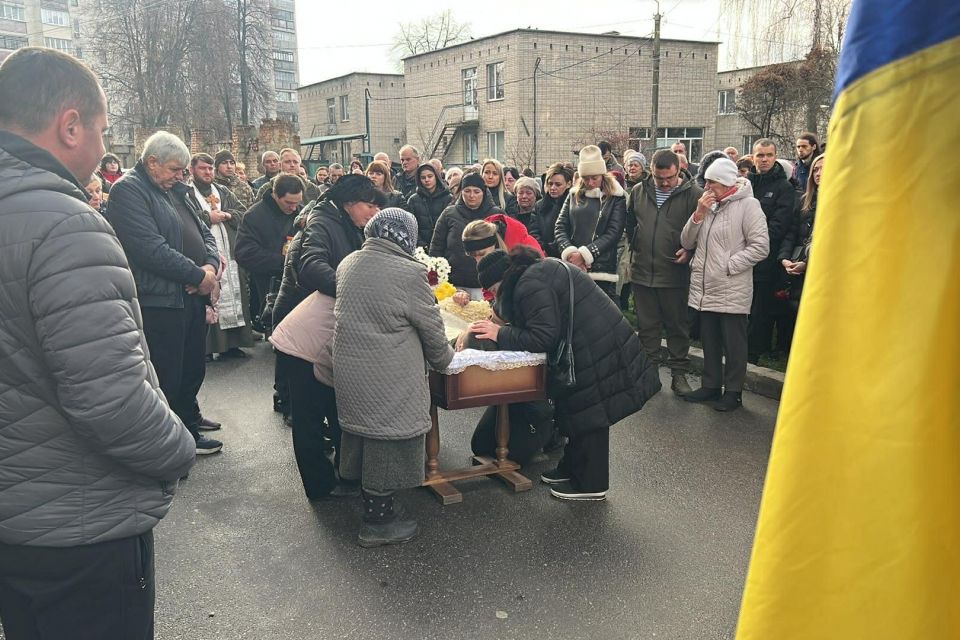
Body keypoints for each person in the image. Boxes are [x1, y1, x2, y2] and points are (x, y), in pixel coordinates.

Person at [0, 46, 196, 639]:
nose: (102, 146)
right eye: (103, 130)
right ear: (70, 125)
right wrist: (178, 448)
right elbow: (111, 400)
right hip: (81, 529)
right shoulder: (65, 225)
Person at [468, 249, 661, 500]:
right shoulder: (532, 273)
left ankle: (591, 484)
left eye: (494, 291)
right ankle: (571, 469)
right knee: (576, 410)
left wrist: (500, 333)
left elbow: (543, 337)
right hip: (591, 339)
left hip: (596, 344)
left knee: (591, 413)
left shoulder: (528, 284)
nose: (495, 297)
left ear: (501, 281)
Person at [335, 208, 454, 546]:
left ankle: (372, 504)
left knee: (365, 434)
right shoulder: (409, 273)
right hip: (389, 373)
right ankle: (378, 522)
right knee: (386, 441)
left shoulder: (348, 263)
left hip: (351, 369)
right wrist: (447, 361)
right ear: (408, 238)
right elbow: (432, 329)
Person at [107, 130, 225, 455]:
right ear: (152, 162)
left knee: (192, 367)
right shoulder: (128, 191)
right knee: (167, 375)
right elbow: (150, 249)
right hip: (160, 300)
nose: (180, 176)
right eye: (175, 169)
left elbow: (204, 230)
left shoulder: (175, 189)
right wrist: (198, 275)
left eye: (183, 170)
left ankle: (188, 421)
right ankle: (172, 444)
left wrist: (209, 268)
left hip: (189, 295)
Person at [275, 175, 386, 500]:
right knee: (309, 415)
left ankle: (345, 474)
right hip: (305, 334)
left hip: (328, 330)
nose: (374, 212)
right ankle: (320, 487)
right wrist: (355, 290)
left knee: (336, 407)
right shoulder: (322, 222)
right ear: (349, 202)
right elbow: (311, 267)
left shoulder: (349, 224)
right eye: (369, 205)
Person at [681, 158, 769, 411]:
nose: (707, 186)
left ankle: (733, 392)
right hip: (705, 287)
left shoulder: (748, 205)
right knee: (709, 340)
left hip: (731, 287)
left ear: (727, 182)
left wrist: (729, 266)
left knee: (734, 344)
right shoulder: (708, 205)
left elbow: (761, 246)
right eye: (706, 181)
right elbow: (686, 242)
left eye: (713, 182)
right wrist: (699, 214)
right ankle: (711, 386)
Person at [625, 149, 702, 396]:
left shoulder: (694, 194)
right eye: (660, 179)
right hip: (643, 271)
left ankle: (679, 374)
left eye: (670, 178)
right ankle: (650, 374)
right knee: (647, 327)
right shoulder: (638, 192)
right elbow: (630, 224)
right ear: (652, 172)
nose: (665, 183)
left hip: (675, 273)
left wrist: (689, 251)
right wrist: (637, 248)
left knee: (677, 326)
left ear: (679, 171)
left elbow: (702, 232)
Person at [187, 152, 254, 359]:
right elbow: (185, 218)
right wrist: (208, 217)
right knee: (208, 296)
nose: (207, 172)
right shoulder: (187, 193)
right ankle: (207, 347)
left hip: (229, 250)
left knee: (233, 294)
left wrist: (227, 215)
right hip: (204, 254)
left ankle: (232, 344)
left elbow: (243, 213)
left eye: (210, 168)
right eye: (202, 168)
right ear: (192, 170)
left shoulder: (223, 191)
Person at [555, 145, 626, 302]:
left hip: (602, 268)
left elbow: (614, 233)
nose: (590, 182)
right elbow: (560, 226)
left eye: (595, 178)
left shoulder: (616, 197)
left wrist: (585, 255)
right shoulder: (573, 194)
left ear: (602, 174)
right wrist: (570, 253)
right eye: (586, 178)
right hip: (573, 264)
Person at [747, 138, 797, 363]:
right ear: (753, 157)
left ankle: (753, 353)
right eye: (760, 155)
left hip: (766, 259)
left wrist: (753, 244)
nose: (764, 159)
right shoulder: (747, 183)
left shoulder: (784, 187)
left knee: (760, 310)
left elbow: (779, 225)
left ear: (775, 157)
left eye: (768, 155)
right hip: (742, 256)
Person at [429, 171, 504, 298]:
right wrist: (435, 279)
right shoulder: (448, 214)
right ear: (461, 192)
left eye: (476, 191)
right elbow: (436, 247)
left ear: (484, 192)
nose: (471, 196)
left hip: (487, 286)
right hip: (454, 285)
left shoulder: (497, 215)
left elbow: (505, 248)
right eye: (467, 191)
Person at [778, 153, 824, 350]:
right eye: (815, 169)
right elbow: (792, 232)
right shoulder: (805, 200)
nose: (818, 173)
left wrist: (807, 263)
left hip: (820, 271)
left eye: (824, 169)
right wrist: (784, 258)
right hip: (797, 266)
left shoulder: (840, 204)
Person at [406, 161, 452, 247]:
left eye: (430, 176)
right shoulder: (413, 200)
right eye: (423, 177)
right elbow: (410, 226)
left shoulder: (448, 198)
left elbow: (451, 225)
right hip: (420, 248)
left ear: (436, 177)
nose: (427, 180)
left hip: (444, 246)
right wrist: (421, 244)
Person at [534, 162, 573, 258]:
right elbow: (534, 231)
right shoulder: (539, 206)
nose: (553, 188)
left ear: (568, 184)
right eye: (550, 184)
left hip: (567, 255)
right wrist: (543, 248)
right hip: (543, 255)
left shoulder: (574, 206)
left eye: (558, 184)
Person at [254, 148, 320, 204]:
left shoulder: (312, 188)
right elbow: (256, 212)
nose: (292, 165)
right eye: (287, 162)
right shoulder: (267, 188)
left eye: (295, 162)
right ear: (280, 165)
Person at [512, 175, 541, 240]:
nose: (524, 196)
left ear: (536, 196)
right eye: (521, 193)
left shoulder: (541, 215)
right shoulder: (510, 214)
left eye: (529, 193)